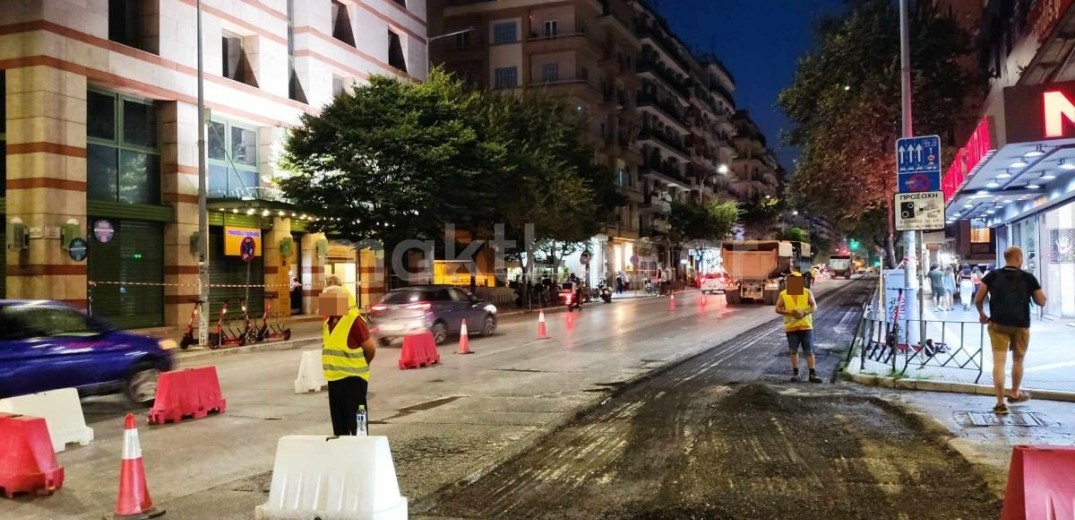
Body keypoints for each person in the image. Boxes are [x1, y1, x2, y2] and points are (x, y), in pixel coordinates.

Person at [976, 247, 1046, 415]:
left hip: (998, 324)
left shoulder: (992, 276)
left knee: (999, 363)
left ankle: (1000, 403)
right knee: (1018, 361)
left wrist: (982, 314)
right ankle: (1014, 393)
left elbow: (979, 298)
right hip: (1021, 325)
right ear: (1019, 258)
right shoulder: (1028, 278)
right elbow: (1042, 301)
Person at [322, 285, 377, 435]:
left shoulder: (354, 320)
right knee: (339, 426)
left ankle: (361, 451)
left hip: (354, 380)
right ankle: (343, 454)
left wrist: (361, 366)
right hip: (334, 380)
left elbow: (370, 349)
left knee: (358, 424)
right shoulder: (328, 323)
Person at [775, 271, 821, 383]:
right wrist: (790, 312)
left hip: (805, 327)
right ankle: (796, 373)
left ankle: (812, 373)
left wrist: (804, 313)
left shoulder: (807, 292)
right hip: (791, 327)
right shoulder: (784, 294)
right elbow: (777, 308)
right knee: (793, 351)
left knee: (809, 351)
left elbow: (814, 306)